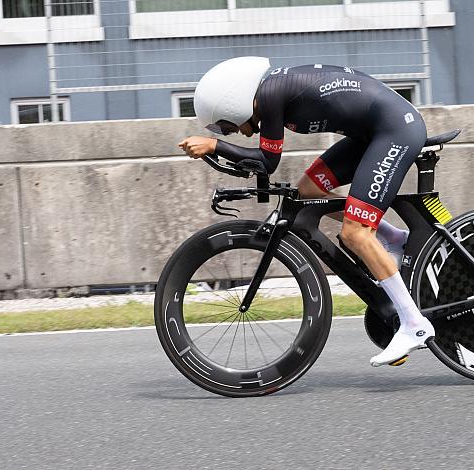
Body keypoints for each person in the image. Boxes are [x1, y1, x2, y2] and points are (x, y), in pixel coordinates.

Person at [178, 57, 434, 367]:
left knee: (355, 233)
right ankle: (393, 238)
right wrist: (219, 147)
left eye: (227, 125)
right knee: (307, 191)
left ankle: (413, 324)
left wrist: (214, 145)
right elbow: (260, 165)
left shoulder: (270, 95)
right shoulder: (272, 92)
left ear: (233, 104)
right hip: (374, 132)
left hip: (394, 130)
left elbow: (266, 162)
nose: (236, 133)